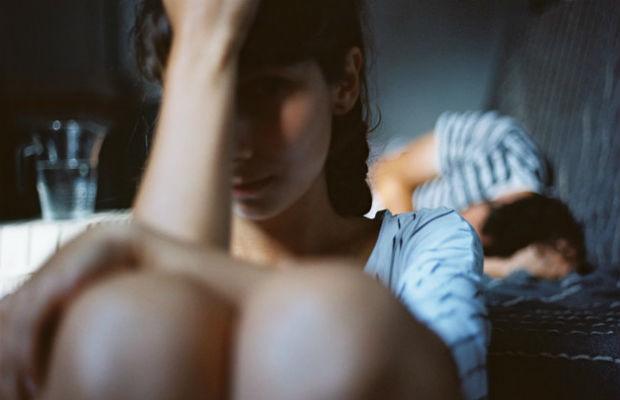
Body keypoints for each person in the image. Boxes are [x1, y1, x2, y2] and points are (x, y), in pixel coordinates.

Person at [0, 1, 488, 399]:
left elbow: (455, 381)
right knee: (121, 324)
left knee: (333, 324)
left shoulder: (425, 241)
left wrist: (144, 247)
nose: (236, 143)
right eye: (210, 94)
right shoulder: (125, 260)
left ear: (344, 82)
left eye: (268, 89)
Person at [370, 111, 587, 279]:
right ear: (503, 201)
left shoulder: (502, 254)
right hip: (371, 196)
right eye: (463, 227)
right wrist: (409, 248)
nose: (453, 231)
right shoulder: (501, 144)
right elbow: (389, 173)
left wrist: (505, 268)